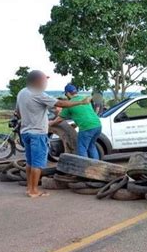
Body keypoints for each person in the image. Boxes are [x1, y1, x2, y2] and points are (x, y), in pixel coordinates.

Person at [16, 70, 91, 198]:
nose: (45, 83)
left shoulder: (22, 93)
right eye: (44, 81)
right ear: (37, 81)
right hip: (38, 133)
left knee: (30, 162)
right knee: (38, 163)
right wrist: (80, 102)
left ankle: (29, 188)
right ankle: (34, 191)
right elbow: (61, 104)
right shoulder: (38, 94)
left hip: (25, 132)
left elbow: (17, 112)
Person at [50, 84, 102, 159]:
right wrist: (76, 124)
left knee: (81, 148)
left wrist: (51, 123)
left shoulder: (69, 104)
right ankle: (96, 166)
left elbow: (60, 119)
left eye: (65, 94)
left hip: (86, 128)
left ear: (67, 93)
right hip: (97, 125)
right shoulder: (84, 99)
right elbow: (85, 114)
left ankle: (84, 168)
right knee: (91, 146)